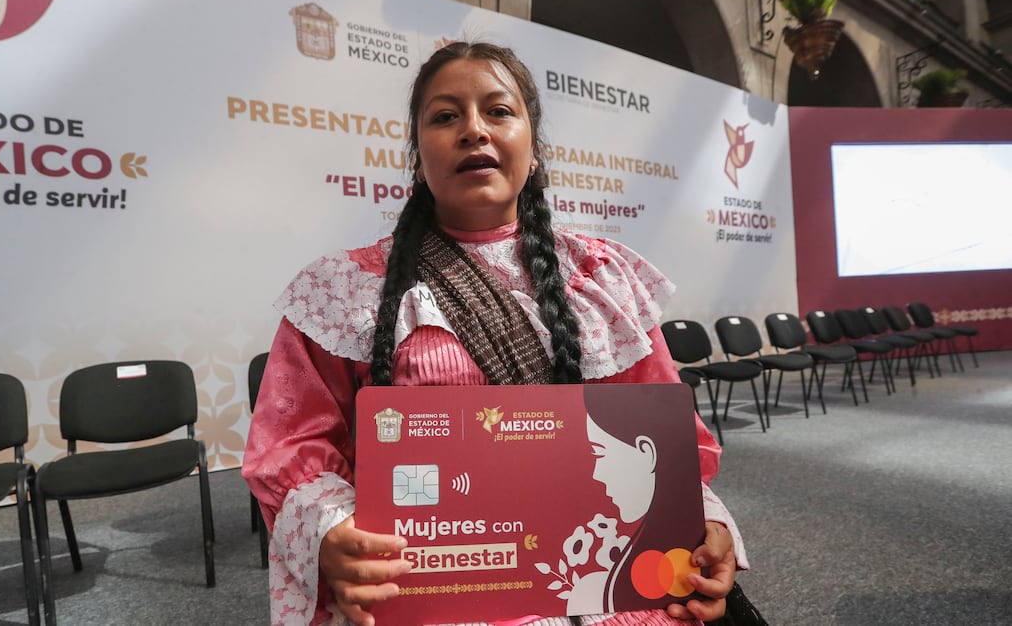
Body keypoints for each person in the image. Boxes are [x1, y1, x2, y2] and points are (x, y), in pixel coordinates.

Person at [243, 40, 748, 626]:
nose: (474, 130)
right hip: (435, 594)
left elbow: (672, 444)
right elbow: (289, 444)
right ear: (418, 155)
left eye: (499, 111)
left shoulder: (604, 279)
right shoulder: (345, 289)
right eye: (445, 116)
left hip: (610, 588)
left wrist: (703, 525)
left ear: (533, 149)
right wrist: (334, 536)